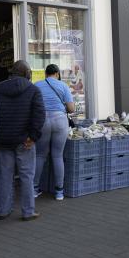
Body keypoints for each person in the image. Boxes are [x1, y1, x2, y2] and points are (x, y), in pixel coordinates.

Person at [0, 60, 45, 221]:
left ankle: (2, 210)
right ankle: (28, 211)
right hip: (25, 140)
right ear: (27, 73)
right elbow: (39, 115)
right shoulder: (33, 90)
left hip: (3, 140)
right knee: (27, 175)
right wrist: (33, 136)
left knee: (4, 175)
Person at [33, 64, 74, 201]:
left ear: (46, 74)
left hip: (43, 120)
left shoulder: (37, 85)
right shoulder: (63, 86)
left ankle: (34, 189)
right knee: (57, 155)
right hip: (60, 120)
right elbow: (71, 108)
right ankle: (59, 192)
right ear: (57, 73)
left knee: (40, 155)